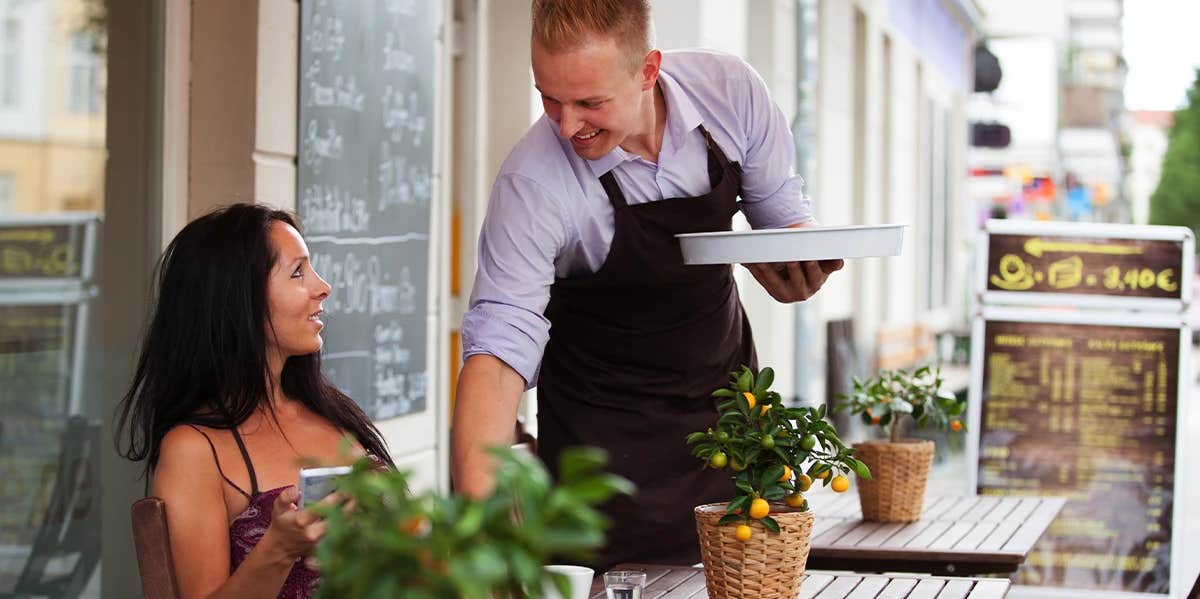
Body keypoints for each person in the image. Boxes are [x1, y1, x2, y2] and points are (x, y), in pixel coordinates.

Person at [452, 0, 842, 569]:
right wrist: (478, 526)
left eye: (590, 102)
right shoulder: (532, 185)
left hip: (730, 426)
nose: (567, 126)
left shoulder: (730, 93)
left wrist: (796, 260)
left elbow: (782, 218)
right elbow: (497, 351)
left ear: (648, 71)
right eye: (549, 98)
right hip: (605, 459)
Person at [116, 203, 393, 599]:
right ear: (237, 299)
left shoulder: (331, 413)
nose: (322, 286)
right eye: (297, 272)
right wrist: (279, 548)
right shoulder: (195, 450)